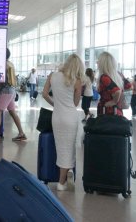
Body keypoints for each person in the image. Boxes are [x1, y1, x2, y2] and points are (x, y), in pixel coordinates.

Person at [42, 53, 85, 191]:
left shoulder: (52, 76)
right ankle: (61, 182)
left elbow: (44, 94)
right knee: (69, 149)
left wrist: (55, 103)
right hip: (70, 117)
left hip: (57, 117)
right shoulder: (77, 80)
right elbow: (76, 103)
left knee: (61, 148)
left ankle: (68, 173)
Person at [0, 48, 26, 142]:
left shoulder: (3, 65)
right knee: (12, 112)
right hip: (12, 90)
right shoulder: (10, 64)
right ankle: (21, 133)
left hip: (6, 91)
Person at [96, 52, 130, 116]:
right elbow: (129, 86)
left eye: (98, 61)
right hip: (118, 111)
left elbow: (117, 91)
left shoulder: (104, 77)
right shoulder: (119, 75)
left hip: (107, 112)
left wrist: (114, 101)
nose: (97, 63)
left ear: (103, 63)